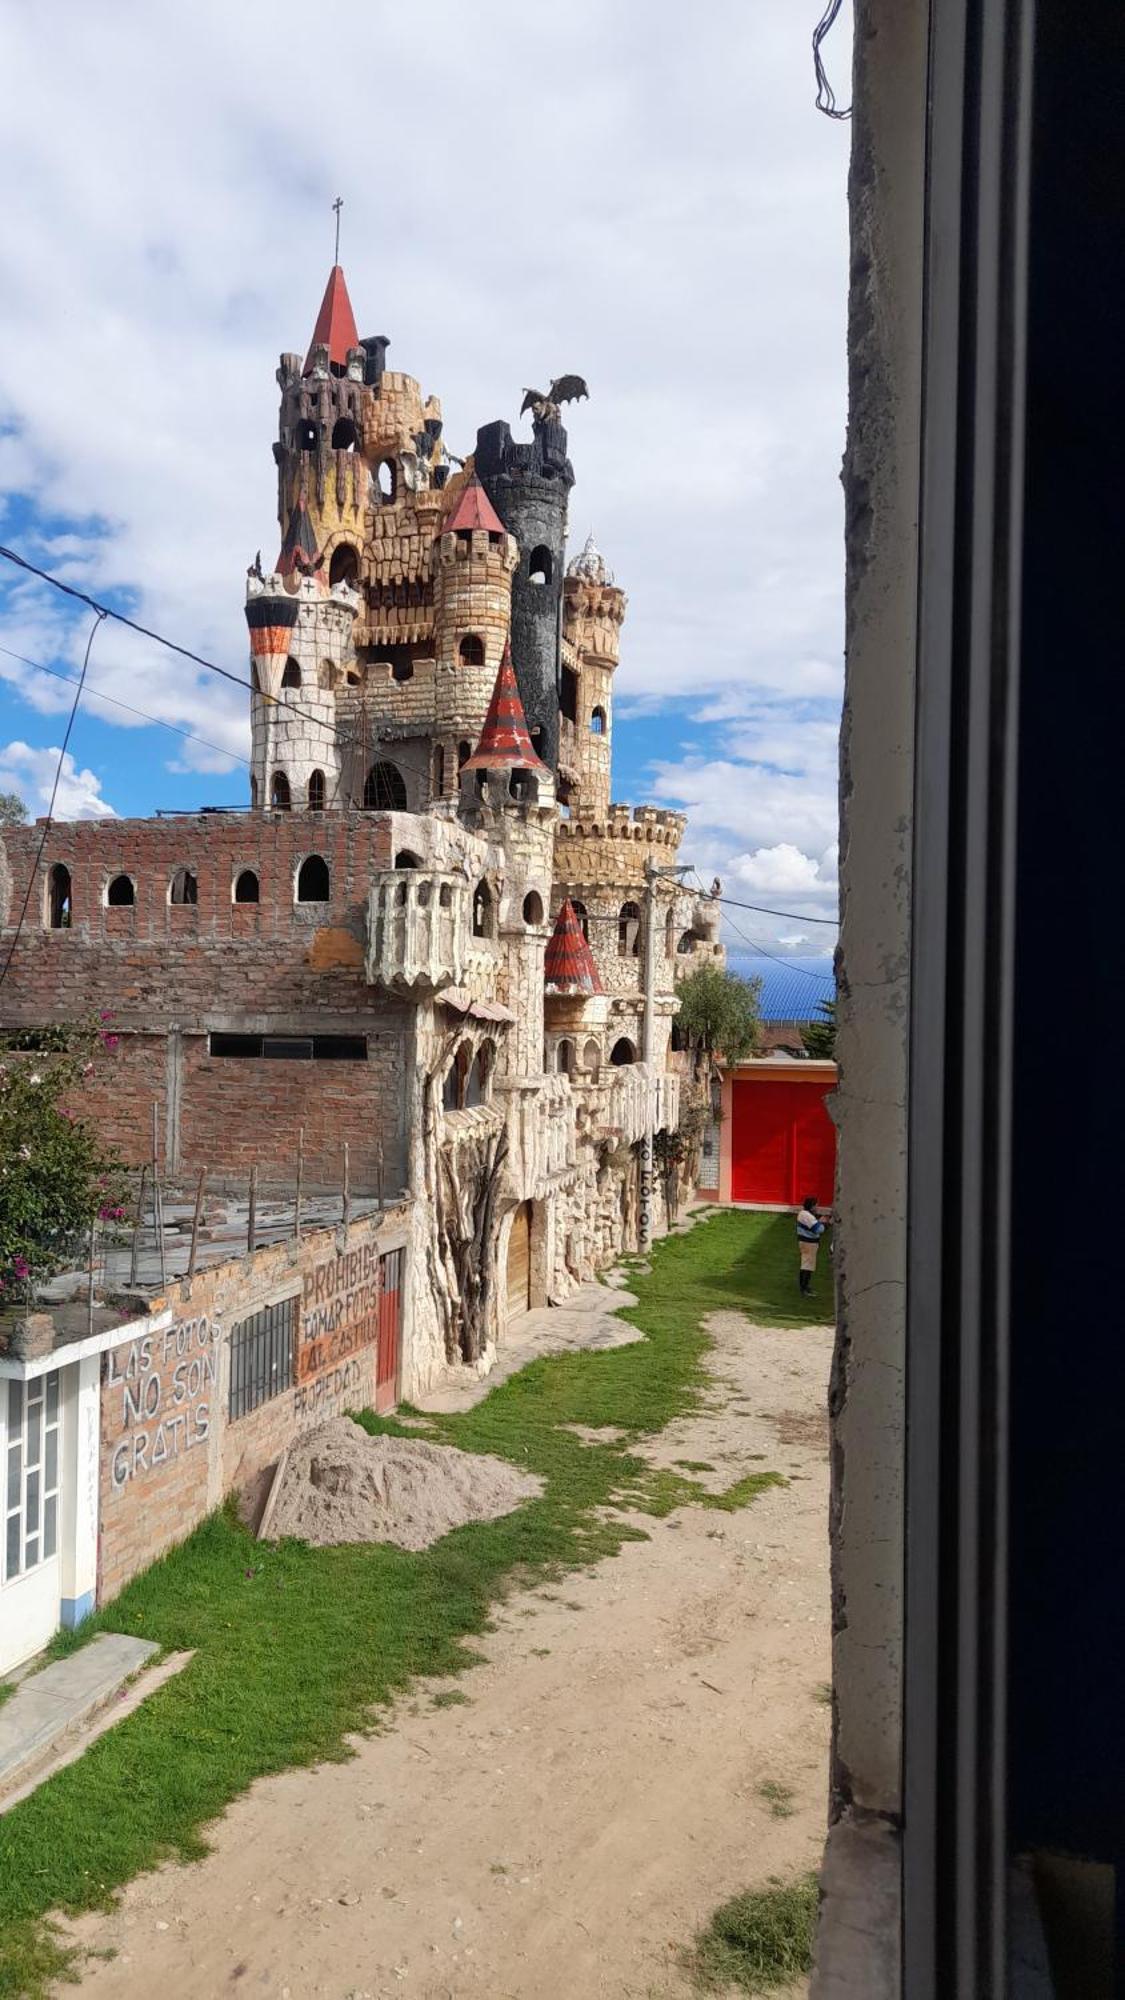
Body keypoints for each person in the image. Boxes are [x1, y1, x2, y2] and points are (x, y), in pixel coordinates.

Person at [796, 1195, 829, 1296]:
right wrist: (825, 1223)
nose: (817, 1208)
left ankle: (804, 1287)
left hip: (805, 1242)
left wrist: (820, 1222)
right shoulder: (808, 1216)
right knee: (807, 1266)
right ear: (812, 1206)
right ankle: (804, 1289)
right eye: (816, 1205)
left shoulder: (802, 1214)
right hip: (809, 1243)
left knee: (806, 1264)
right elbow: (819, 1230)